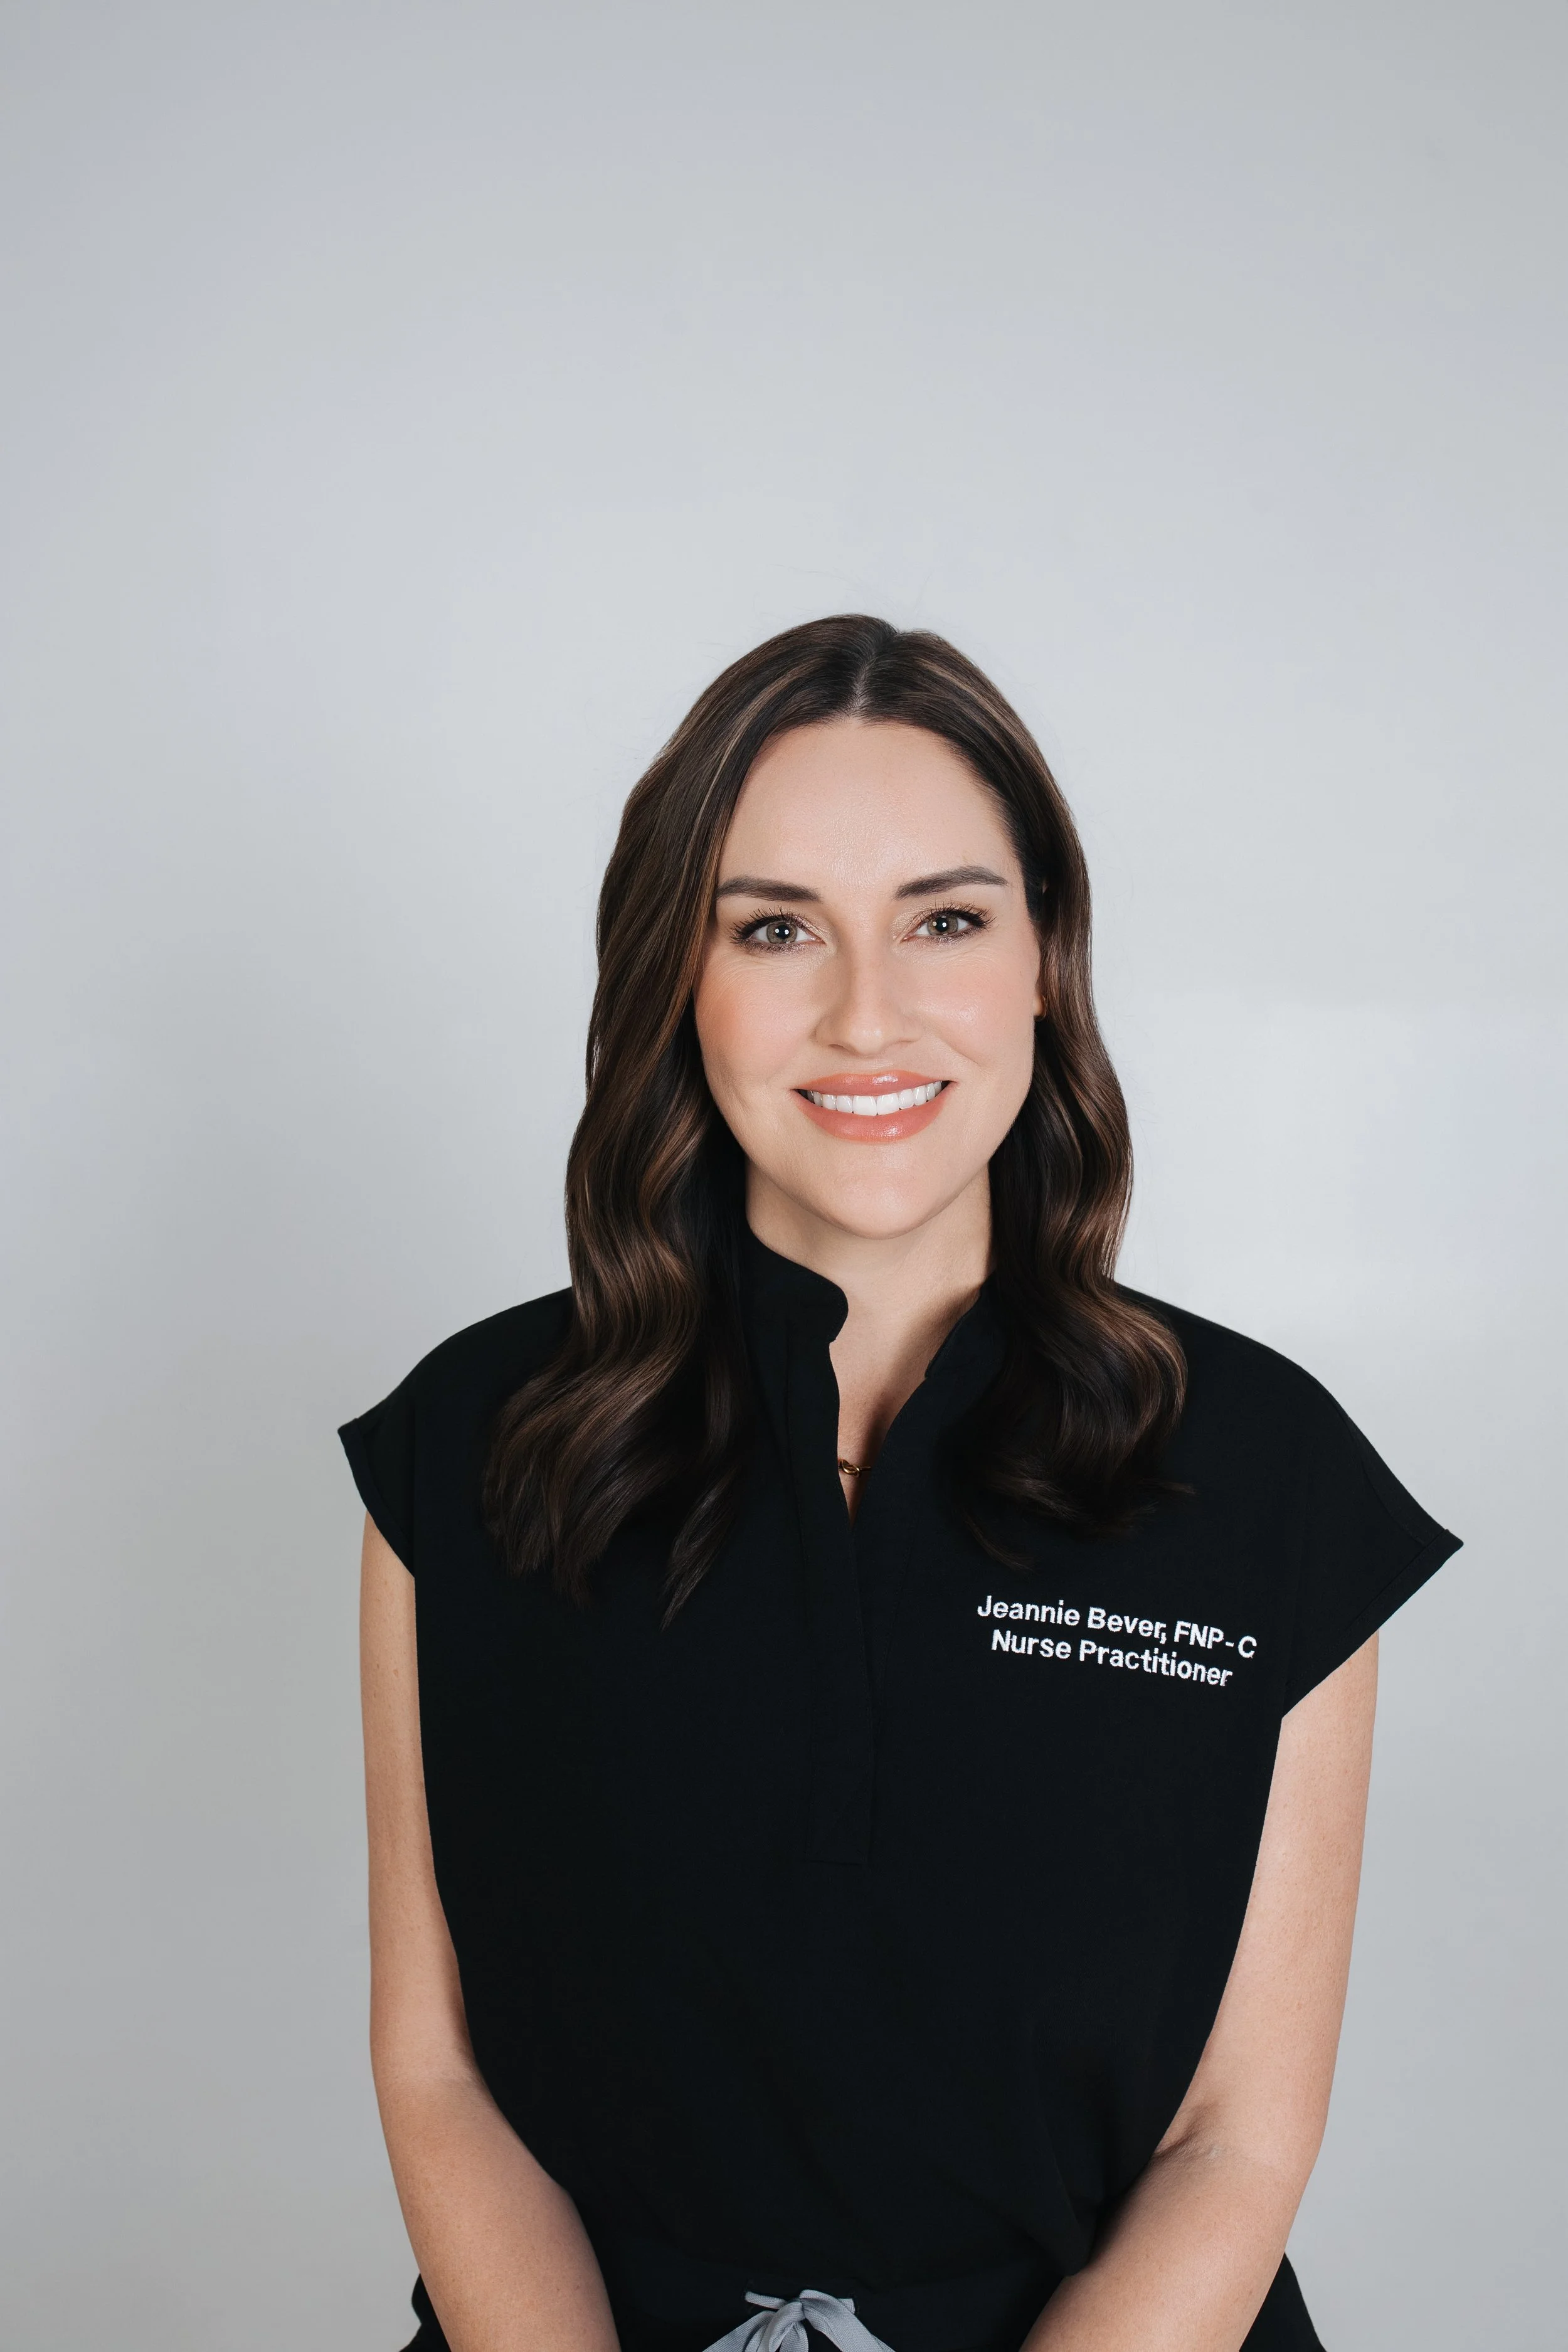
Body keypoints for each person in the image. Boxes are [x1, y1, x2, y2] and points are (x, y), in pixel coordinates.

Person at [341, 615, 1459, 2352]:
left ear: (1041, 961)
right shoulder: (477, 1435)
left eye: (945, 917)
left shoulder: (1260, 1465)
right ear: (672, 978)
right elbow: (436, 2072)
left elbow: (1237, 2138)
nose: (867, 1013)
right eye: (774, 928)